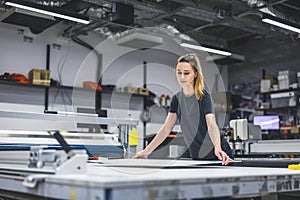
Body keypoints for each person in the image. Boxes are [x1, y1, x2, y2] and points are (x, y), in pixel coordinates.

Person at [134, 53, 234, 165]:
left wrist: (218, 147)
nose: (182, 77)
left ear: (195, 74)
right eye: (179, 73)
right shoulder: (176, 99)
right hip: (198, 156)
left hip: (219, 155)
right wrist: (146, 152)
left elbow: (211, 125)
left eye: (186, 73)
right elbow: (166, 129)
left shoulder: (203, 96)